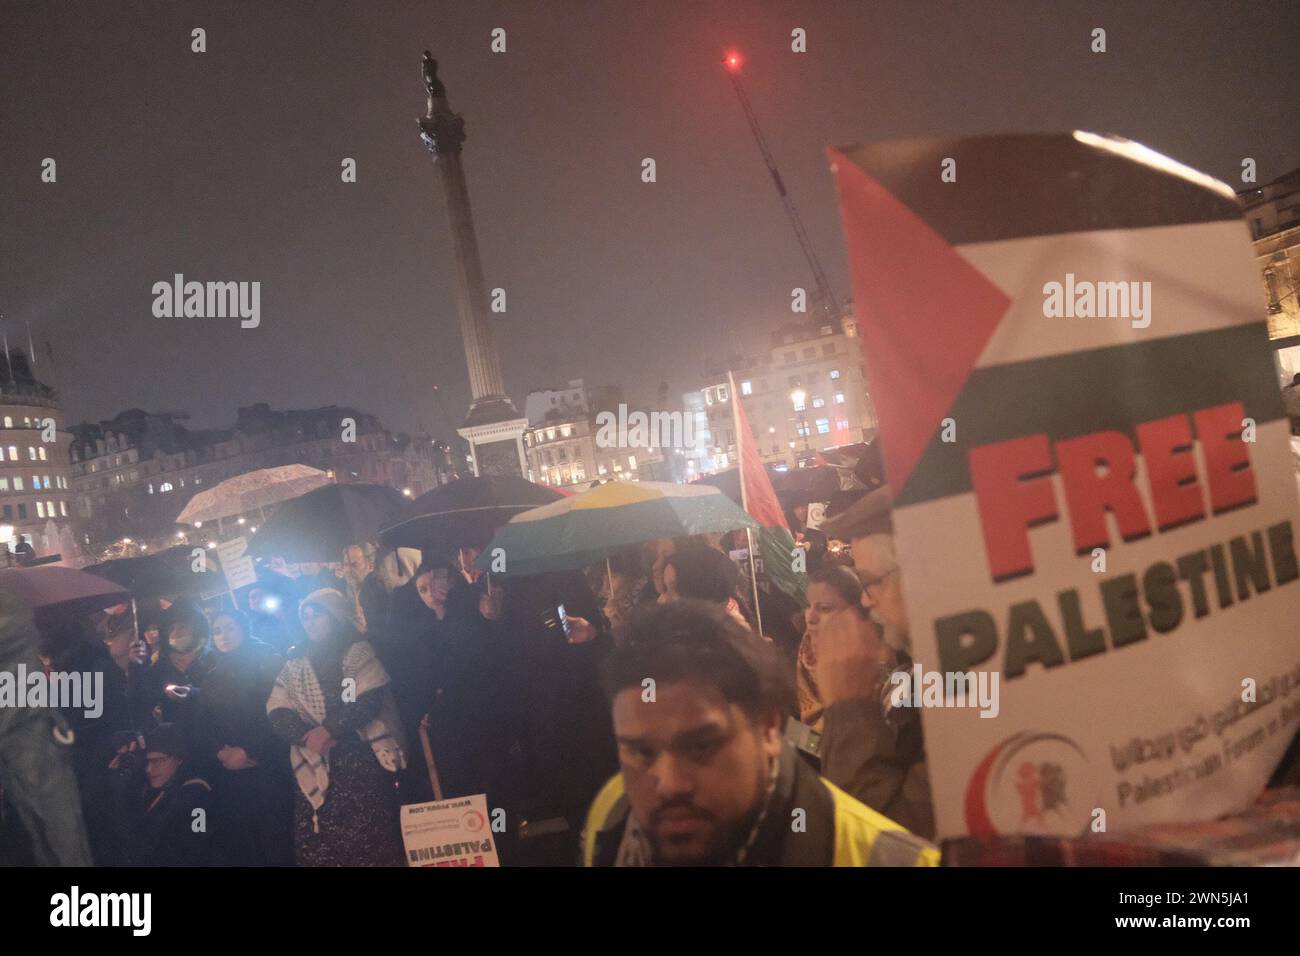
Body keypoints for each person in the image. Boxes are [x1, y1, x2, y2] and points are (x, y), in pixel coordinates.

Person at [582, 600, 939, 866]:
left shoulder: (893, 860)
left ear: (769, 726)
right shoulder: (612, 813)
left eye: (702, 746)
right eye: (641, 753)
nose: (669, 782)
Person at [816, 484, 935, 839]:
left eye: (872, 583)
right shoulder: (926, 671)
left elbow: (885, 844)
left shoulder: (974, 687)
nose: (866, 602)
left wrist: (848, 706)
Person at [266, 589, 407, 866]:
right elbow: (277, 708)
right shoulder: (295, 662)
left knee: (367, 843)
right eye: (304, 617)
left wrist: (329, 730)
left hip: (357, 763)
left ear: (334, 616)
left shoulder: (357, 651)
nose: (309, 622)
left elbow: (365, 699)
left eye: (316, 615)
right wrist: (306, 737)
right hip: (312, 758)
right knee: (321, 846)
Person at [199, 609, 293, 866]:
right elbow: (206, 722)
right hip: (230, 773)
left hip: (267, 766)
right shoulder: (210, 677)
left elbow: (277, 713)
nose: (223, 636)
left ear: (243, 628)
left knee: (276, 838)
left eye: (229, 627)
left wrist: (250, 751)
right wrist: (220, 751)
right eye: (217, 631)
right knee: (245, 843)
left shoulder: (266, 663)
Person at [107, 723, 218, 866]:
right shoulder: (151, 788)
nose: (149, 769)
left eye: (157, 761)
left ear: (178, 759)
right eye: (147, 761)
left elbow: (144, 846)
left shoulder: (196, 796)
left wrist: (121, 796)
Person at [796, 565, 871, 731]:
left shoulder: (875, 663)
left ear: (854, 613)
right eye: (808, 606)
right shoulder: (805, 649)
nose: (811, 618)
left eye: (824, 609)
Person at [138, 600, 217, 734]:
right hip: (175, 741)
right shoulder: (162, 665)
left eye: (182, 627)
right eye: (171, 629)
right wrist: (137, 667)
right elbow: (142, 701)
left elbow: (226, 698)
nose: (175, 633)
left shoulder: (213, 659)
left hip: (212, 735)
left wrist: (193, 693)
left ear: (197, 628)